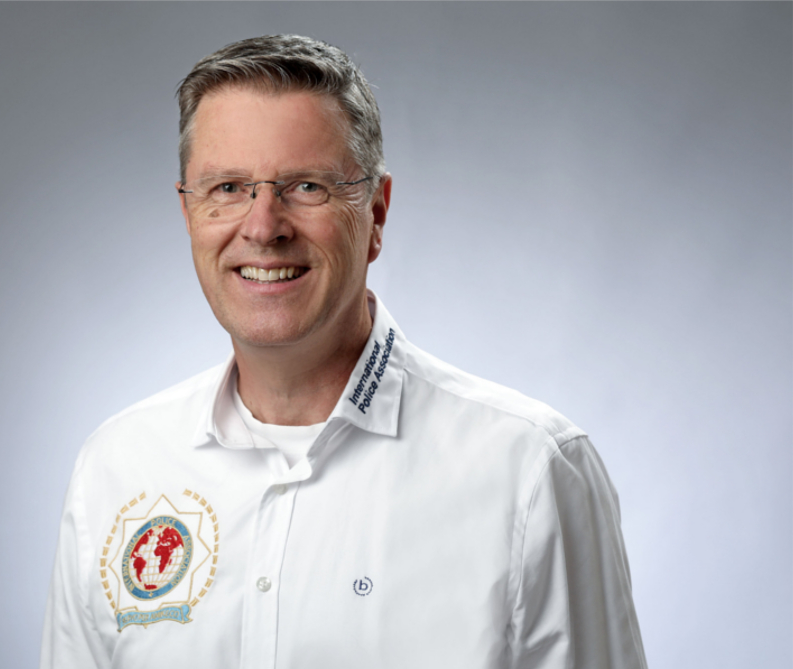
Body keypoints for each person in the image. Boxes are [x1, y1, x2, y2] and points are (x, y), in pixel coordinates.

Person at [41, 34, 647, 669]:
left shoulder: (531, 471)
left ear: (376, 213)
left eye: (306, 186)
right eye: (228, 187)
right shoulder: (117, 467)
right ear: (188, 213)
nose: (263, 227)